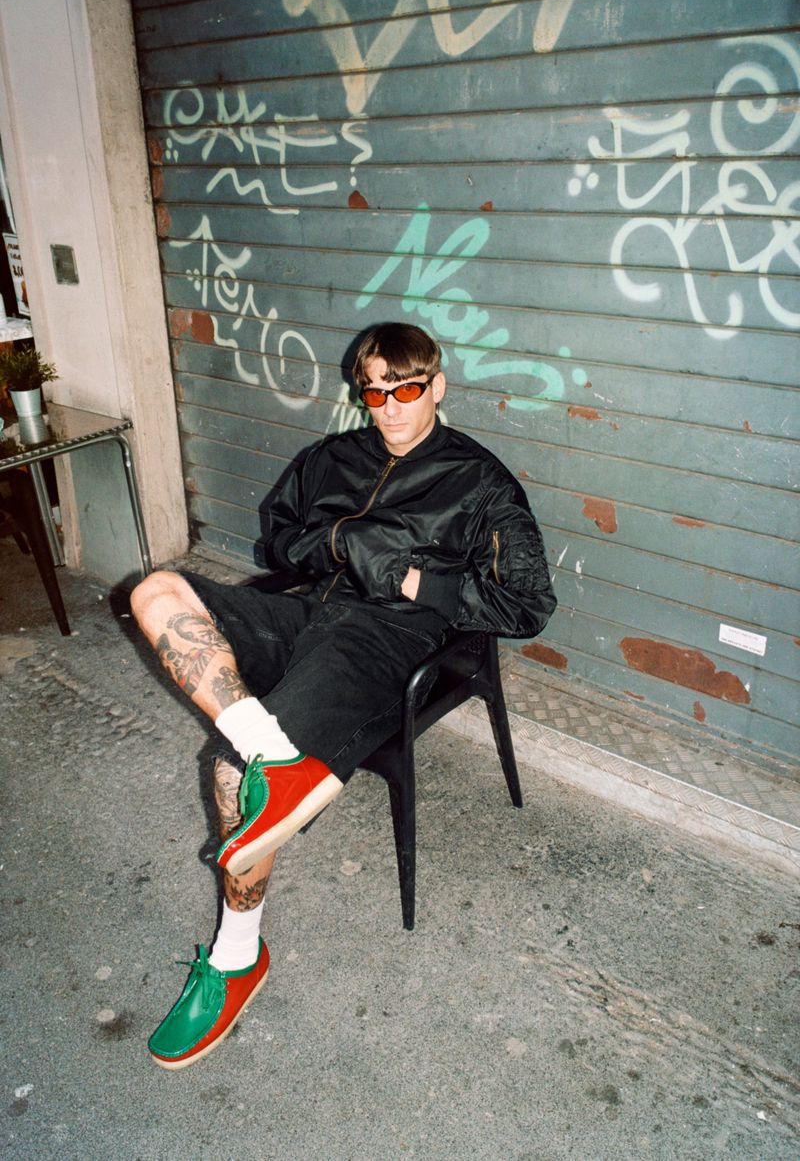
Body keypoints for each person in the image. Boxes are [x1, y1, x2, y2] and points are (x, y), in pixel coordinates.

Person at [130, 321, 556, 1069]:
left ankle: (237, 957)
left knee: (230, 775)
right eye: (375, 392)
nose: (390, 408)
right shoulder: (333, 457)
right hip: (306, 610)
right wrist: (334, 544)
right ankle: (276, 753)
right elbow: (276, 538)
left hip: (384, 639)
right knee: (156, 592)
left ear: (437, 386)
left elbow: (527, 605)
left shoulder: (481, 482)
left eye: (408, 390)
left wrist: (412, 578)